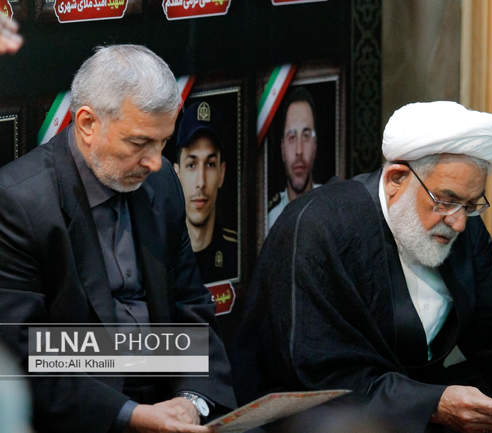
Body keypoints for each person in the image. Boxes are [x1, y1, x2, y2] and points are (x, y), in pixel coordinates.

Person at [231, 101, 492, 433]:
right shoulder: (319, 227)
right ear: (396, 179)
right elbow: (322, 377)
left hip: (411, 399)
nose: (458, 222)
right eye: (446, 200)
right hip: (323, 411)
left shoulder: (462, 225)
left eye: (471, 205)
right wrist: (431, 404)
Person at [0, 45, 236, 433]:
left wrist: (191, 401)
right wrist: (132, 416)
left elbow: (191, 306)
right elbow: (22, 357)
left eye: (163, 142)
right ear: (87, 124)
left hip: (168, 399)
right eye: (139, 143)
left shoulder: (162, 183)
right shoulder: (19, 203)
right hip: (86, 416)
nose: (155, 162)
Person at [174, 101, 238, 284]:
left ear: (221, 173)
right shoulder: (160, 258)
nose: (201, 183)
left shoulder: (237, 255)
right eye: (191, 165)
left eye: (210, 164)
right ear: (177, 174)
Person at [267, 86, 321, 230]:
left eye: (306, 136)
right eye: (291, 137)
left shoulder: (332, 208)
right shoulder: (268, 220)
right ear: (282, 150)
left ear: (315, 145)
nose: (299, 151)